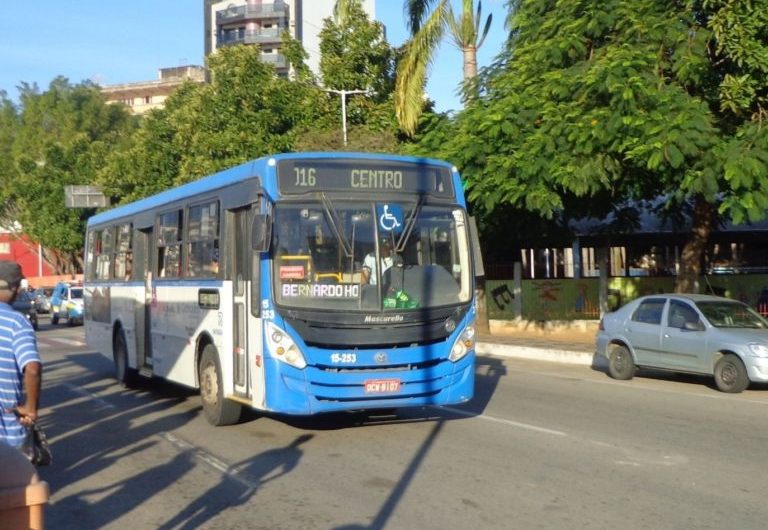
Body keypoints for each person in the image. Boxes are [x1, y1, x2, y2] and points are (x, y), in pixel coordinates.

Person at [0, 261, 42, 449]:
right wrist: (30, 408)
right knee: (28, 479)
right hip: (6, 436)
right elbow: (32, 369)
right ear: (15, 288)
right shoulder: (17, 323)